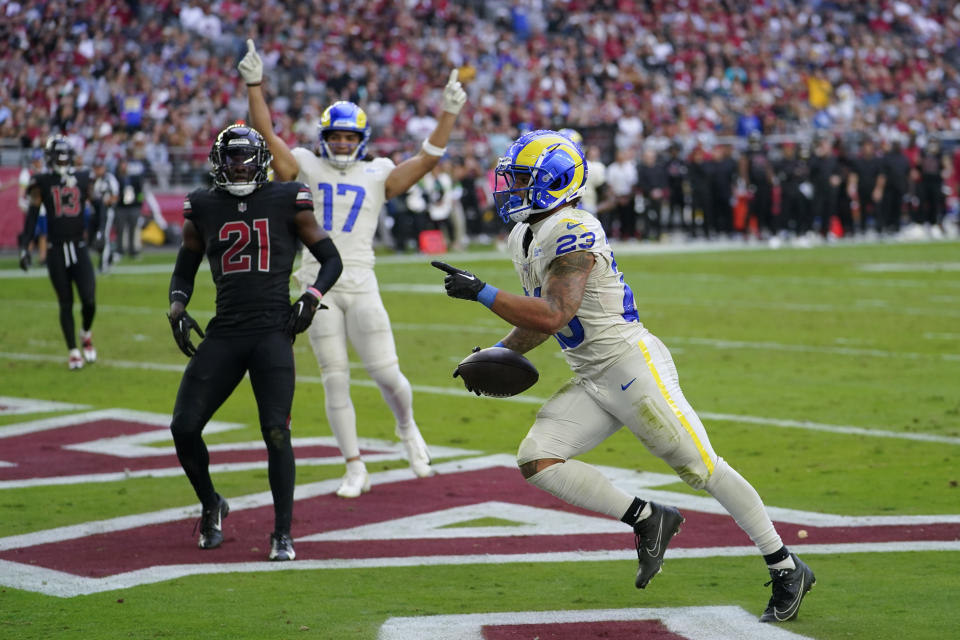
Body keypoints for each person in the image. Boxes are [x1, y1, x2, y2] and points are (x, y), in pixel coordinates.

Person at [432, 129, 815, 623]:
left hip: (631, 368)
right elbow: (542, 322)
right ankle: (648, 517)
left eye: (522, 180)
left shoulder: (575, 230)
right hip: (592, 377)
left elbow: (553, 314)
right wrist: (496, 351)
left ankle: (785, 565)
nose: (509, 189)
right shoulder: (525, 233)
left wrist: (482, 292)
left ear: (555, 182)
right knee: (537, 458)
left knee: (702, 468)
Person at [239, 39, 467, 498]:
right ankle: (353, 464)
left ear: (361, 140)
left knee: (386, 373)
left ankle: (407, 428)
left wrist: (448, 115)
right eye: (337, 135)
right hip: (314, 285)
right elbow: (267, 135)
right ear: (325, 136)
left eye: (349, 137)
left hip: (361, 281)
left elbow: (426, 160)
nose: (342, 143)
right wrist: (255, 86)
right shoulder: (304, 164)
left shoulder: (378, 171)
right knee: (334, 377)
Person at [167, 124, 343, 561]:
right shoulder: (204, 205)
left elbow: (330, 259)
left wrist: (311, 295)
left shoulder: (287, 198)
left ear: (261, 160)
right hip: (225, 330)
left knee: (275, 432)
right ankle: (212, 503)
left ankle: (282, 532)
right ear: (218, 162)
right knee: (184, 427)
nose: (238, 165)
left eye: (245, 157)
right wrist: (177, 305)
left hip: (272, 331)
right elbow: (185, 266)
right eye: (231, 158)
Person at [19, 135, 99, 370]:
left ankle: (85, 332)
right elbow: (32, 216)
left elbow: (99, 206)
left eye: (66, 160)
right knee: (65, 302)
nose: (63, 164)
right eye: (59, 160)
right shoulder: (41, 181)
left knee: (89, 300)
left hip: (79, 246)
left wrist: (99, 232)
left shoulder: (83, 178)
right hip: (55, 249)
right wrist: (26, 246)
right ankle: (73, 350)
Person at [90, 155, 120, 273]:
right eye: (96, 168)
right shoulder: (93, 180)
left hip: (106, 211)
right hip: (95, 212)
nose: (97, 170)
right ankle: (111, 256)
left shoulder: (110, 179)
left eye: (99, 168)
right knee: (95, 239)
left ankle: (104, 265)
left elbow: (115, 197)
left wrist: (107, 201)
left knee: (104, 236)